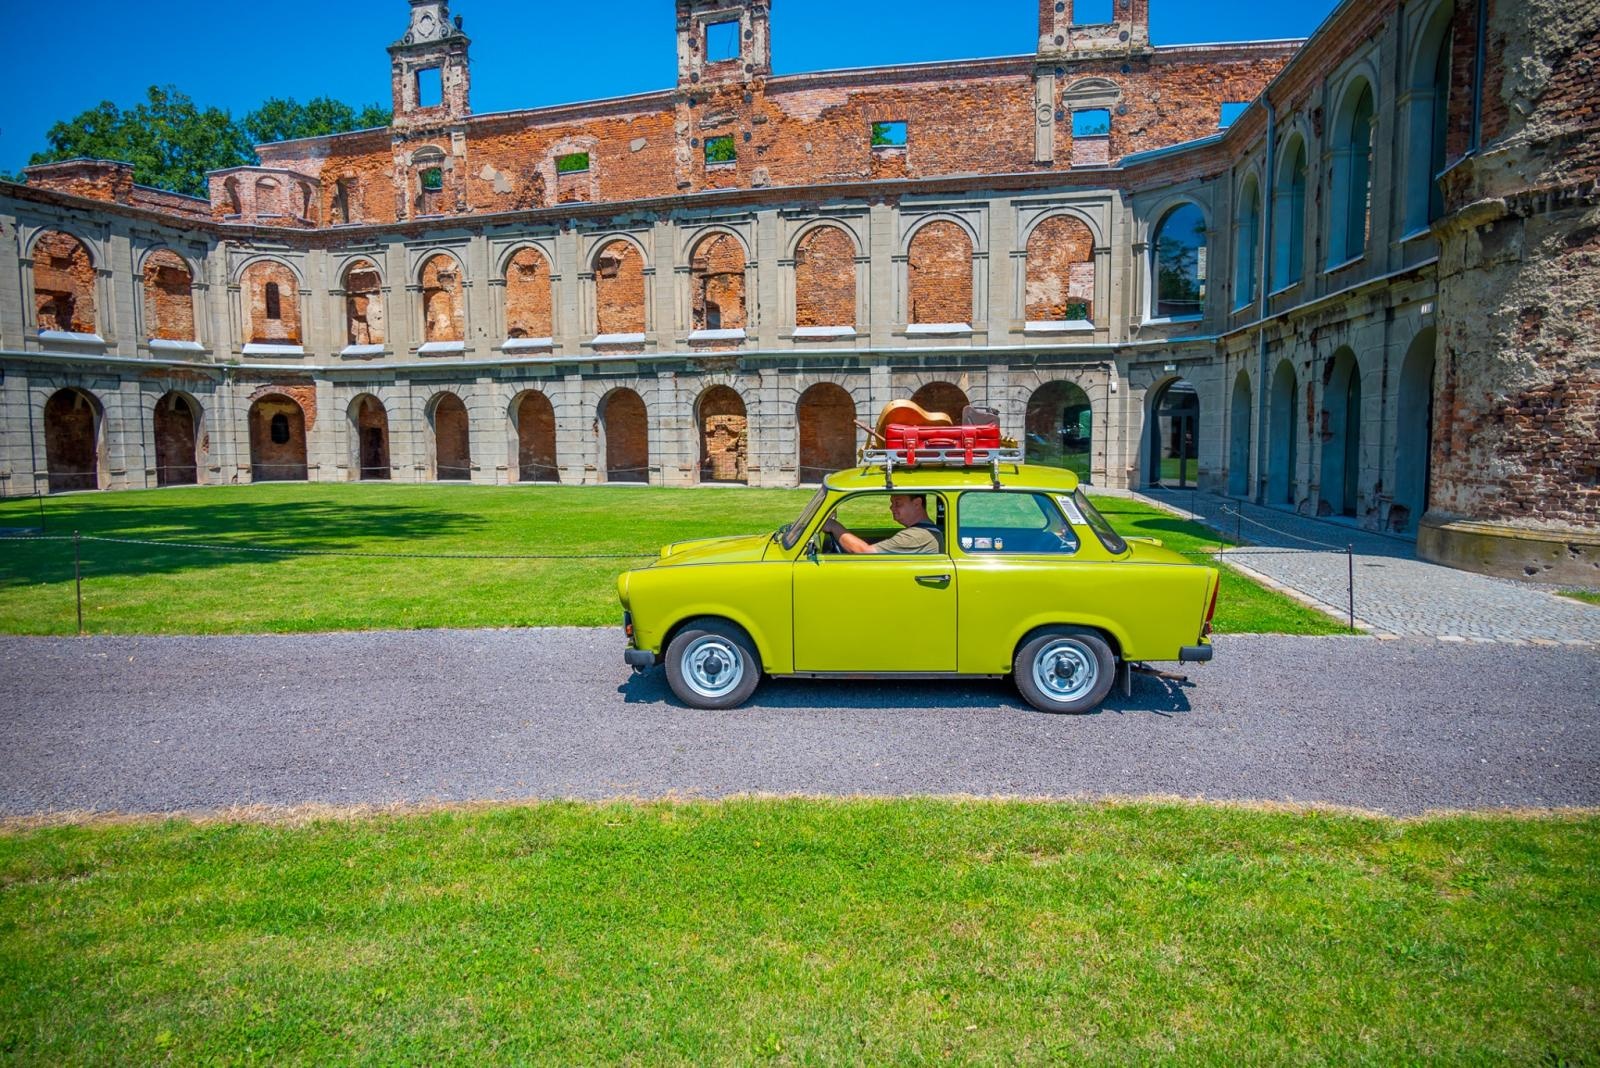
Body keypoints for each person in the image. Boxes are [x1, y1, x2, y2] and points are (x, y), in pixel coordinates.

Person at [821, 494, 941, 554]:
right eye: (892, 503)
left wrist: (833, 526)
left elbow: (865, 552)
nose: (891, 507)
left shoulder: (916, 537)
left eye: (898, 503)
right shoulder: (923, 532)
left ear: (917, 503)